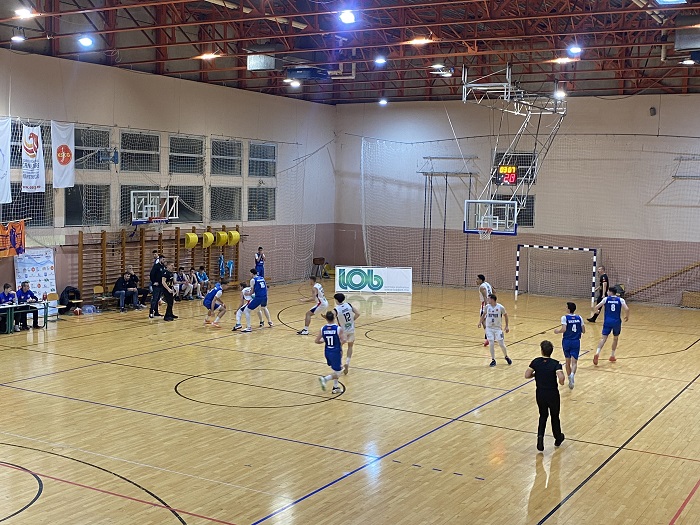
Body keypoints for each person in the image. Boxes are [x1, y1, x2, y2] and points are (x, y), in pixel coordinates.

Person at [525, 340, 566, 451]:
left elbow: (527, 375)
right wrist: (561, 382)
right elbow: (561, 377)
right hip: (552, 394)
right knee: (554, 416)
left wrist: (536, 375)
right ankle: (558, 438)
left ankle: (540, 439)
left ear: (542, 351)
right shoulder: (555, 363)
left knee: (543, 416)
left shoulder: (536, 362)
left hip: (540, 393)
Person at [592, 286, 630, 365]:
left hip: (607, 321)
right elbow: (627, 309)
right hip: (616, 322)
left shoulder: (606, 299)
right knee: (615, 339)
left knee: (603, 339)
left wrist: (596, 311)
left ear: (610, 292)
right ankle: (612, 355)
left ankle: (597, 353)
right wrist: (627, 316)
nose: (607, 293)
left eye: (608, 291)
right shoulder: (620, 300)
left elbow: (596, 307)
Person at [553, 302, 584, 389]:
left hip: (566, 341)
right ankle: (572, 375)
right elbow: (583, 330)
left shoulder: (564, 318)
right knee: (574, 362)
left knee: (567, 362)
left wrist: (558, 331)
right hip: (576, 341)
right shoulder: (579, 317)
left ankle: (570, 378)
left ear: (569, 309)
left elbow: (564, 329)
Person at [477, 293, 512, 367]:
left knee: (501, 344)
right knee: (491, 343)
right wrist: (480, 322)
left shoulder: (500, 307)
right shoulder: (487, 307)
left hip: (497, 328)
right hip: (489, 328)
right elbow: (483, 315)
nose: (487, 300)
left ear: (492, 299)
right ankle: (493, 360)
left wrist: (507, 326)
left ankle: (506, 356)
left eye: (488, 298)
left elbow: (506, 316)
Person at [316, 310, 345, 394]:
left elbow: (317, 341)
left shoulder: (323, 328)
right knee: (338, 373)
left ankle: (335, 387)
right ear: (334, 317)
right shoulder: (338, 328)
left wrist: (324, 340)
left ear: (326, 318)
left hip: (327, 352)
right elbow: (344, 340)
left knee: (336, 370)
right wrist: (339, 345)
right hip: (335, 352)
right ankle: (325, 379)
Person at [237, 269, 273, 333]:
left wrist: (247, 294)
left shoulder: (253, 280)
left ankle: (248, 327)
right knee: (264, 308)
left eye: (250, 273)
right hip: (265, 296)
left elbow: (252, 292)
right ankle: (270, 321)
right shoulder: (261, 278)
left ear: (252, 273)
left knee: (246, 310)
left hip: (259, 297)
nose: (249, 274)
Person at [333, 293, 360, 374]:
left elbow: (331, 318)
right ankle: (347, 363)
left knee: (339, 347)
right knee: (350, 346)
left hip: (342, 331)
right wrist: (352, 321)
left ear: (336, 300)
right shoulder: (348, 305)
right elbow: (358, 313)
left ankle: (340, 364)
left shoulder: (336, 309)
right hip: (351, 329)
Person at [477, 275, 494, 347]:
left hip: (485, 304)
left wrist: (487, 307)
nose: (476, 281)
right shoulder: (488, 284)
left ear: (481, 280)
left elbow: (485, 297)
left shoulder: (482, 287)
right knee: (487, 320)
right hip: (491, 303)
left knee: (483, 320)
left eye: (477, 279)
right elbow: (494, 292)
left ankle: (489, 337)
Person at [149, 253, 165, 318]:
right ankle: (151, 312)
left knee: (158, 299)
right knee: (154, 299)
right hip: (156, 286)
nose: (164, 261)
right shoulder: (156, 266)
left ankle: (156, 312)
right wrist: (154, 282)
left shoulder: (163, 266)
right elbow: (151, 274)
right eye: (163, 259)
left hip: (161, 285)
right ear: (160, 259)